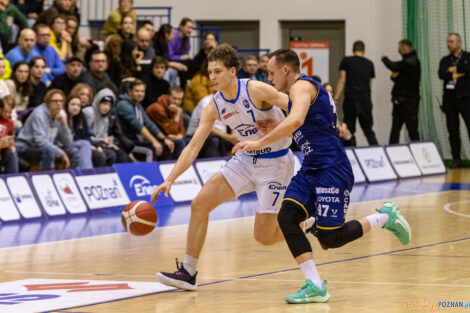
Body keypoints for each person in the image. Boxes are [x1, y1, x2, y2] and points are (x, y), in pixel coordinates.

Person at [232, 48, 411, 304]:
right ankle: (314, 284)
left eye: (272, 73)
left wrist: (259, 142)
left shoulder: (301, 86)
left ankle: (385, 216)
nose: (270, 78)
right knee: (287, 216)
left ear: (285, 70)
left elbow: (295, 121)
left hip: (331, 168)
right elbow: (305, 126)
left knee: (331, 238)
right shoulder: (299, 94)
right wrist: (277, 127)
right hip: (311, 167)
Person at [152, 43, 295, 290]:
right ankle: (188, 271)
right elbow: (193, 147)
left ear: (232, 71)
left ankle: (303, 224)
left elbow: (299, 107)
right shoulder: (215, 105)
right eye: (209, 72)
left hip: (276, 163)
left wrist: (279, 125)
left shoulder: (255, 89)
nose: (212, 77)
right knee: (199, 204)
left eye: (217, 71)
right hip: (245, 160)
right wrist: (170, 179)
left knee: (263, 237)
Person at [15, 89, 77, 171]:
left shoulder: (62, 114)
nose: (58, 104)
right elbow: (40, 141)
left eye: (61, 101)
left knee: (74, 150)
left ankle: (72, 177)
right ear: (47, 103)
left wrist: (64, 124)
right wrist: (60, 153)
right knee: (49, 150)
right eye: (55, 101)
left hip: (45, 146)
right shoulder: (39, 114)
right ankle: (47, 179)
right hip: (26, 147)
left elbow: (68, 142)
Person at [115, 79, 174, 161]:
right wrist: (154, 141)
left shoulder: (137, 105)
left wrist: (164, 139)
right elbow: (139, 126)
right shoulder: (123, 104)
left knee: (167, 147)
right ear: (129, 91)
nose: (140, 94)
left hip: (139, 140)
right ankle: (150, 173)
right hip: (128, 143)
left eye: (142, 91)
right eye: (137, 91)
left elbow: (149, 123)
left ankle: (167, 173)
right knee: (151, 150)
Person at [334, 40, 378, 146]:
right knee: (368, 130)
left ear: (353, 49)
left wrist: (336, 97)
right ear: (364, 50)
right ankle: (377, 150)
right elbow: (370, 83)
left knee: (349, 130)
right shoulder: (369, 63)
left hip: (351, 99)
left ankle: (351, 153)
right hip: (365, 100)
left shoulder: (347, 61)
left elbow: (342, 80)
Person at [438, 33, 470, 168]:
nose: (449, 44)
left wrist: (453, 70)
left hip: (466, 99)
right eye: (448, 42)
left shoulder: (468, 57)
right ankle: (456, 158)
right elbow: (441, 73)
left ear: (459, 42)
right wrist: (457, 72)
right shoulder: (445, 59)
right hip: (450, 101)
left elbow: (468, 68)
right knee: (452, 131)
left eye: (451, 42)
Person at [381, 39, 421, 144]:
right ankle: (391, 152)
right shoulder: (405, 63)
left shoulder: (412, 61)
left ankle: (418, 151)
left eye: (399, 48)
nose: (398, 51)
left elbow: (394, 67)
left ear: (404, 48)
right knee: (395, 128)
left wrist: (384, 59)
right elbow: (394, 77)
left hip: (409, 101)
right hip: (398, 101)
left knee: (412, 129)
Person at [83, 87, 131, 164]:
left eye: (109, 105)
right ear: (98, 102)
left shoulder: (106, 118)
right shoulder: (89, 113)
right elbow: (85, 136)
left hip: (99, 144)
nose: (106, 107)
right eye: (104, 104)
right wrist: (101, 140)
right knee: (109, 155)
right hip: (88, 143)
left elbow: (103, 137)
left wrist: (109, 143)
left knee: (121, 154)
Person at [145, 86, 186, 158]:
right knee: (180, 143)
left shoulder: (175, 108)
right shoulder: (157, 108)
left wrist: (180, 135)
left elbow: (181, 129)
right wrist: (177, 114)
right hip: (154, 138)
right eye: (174, 98)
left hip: (167, 137)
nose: (177, 102)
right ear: (167, 97)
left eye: (179, 99)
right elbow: (170, 131)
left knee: (190, 141)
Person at [5, 61, 30, 127]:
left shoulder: (25, 86)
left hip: (18, 115)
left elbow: (24, 106)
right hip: (7, 116)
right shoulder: (10, 84)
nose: (23, 74)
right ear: (14, 72)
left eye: (26, 72)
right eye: (20, 71)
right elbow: (9, 106)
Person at [0, 97, 19, 173]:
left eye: (9, 112)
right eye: (5, 112)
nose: (7, 114)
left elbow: (11, 137)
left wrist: (11, 145)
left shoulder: (10, 123)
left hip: (2, 153)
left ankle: (13, 179)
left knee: (12, 153)